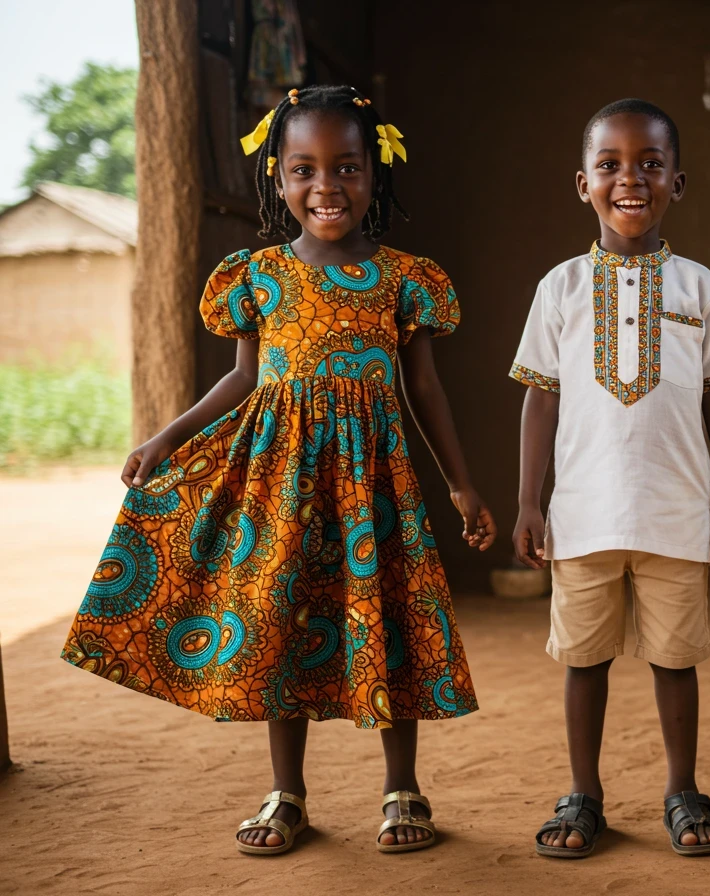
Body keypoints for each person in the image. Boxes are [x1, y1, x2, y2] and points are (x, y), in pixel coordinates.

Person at [60, 85, 495, 856]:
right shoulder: (257, 275)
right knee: (280, 624)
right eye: (304, 169)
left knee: (386, 619)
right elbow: (244, 379)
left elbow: (421, 386)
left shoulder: (402, 277)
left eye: (347, 168)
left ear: (375, 174)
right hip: (282, 483)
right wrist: (168, 435)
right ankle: (287, 791)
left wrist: (460, 482)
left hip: (374, 488)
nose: (326, 187)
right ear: (279, 178)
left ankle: (403, 788)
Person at [510, 99, 710, 858]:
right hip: (581, 516)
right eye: (610, 164)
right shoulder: (560, 288)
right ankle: (584, 794)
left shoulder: (700, 289)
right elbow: (539, 398)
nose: (631, 178)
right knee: (584, 663)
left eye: (651, 163)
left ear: (678, 181)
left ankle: (682, 790)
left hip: (677, 515)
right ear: (581, 183)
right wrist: (529, 502)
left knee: (675, 662)